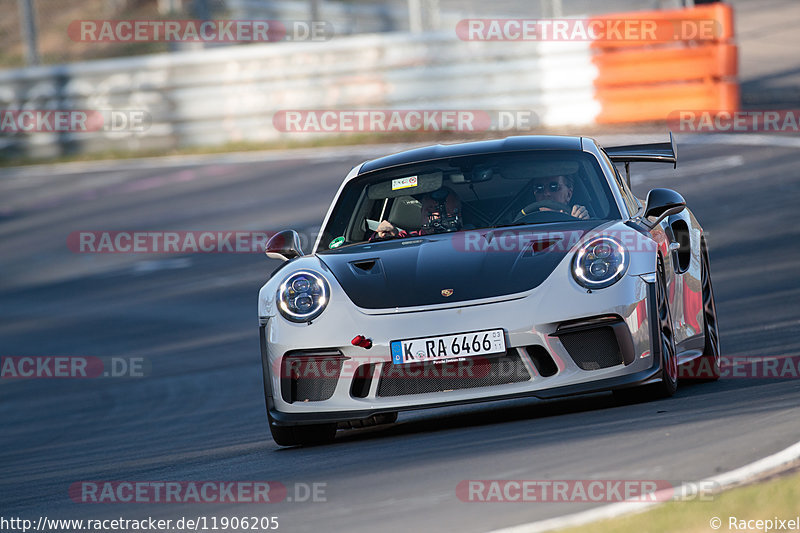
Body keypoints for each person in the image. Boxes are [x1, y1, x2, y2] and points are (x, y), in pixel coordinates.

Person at [372, 187, 462, 240]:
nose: (437, 215)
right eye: (429, 210)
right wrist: (383, 236)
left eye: (445, 211)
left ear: (458, 213)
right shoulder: (406, 239)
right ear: (422, 212)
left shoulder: (471, 239)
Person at [520, 175, 589, 220]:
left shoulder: (576, 219)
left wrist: (581, 222)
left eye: (554, 187)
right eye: (539, 188)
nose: (546, 193)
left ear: (568, 194)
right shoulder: (525, 225)